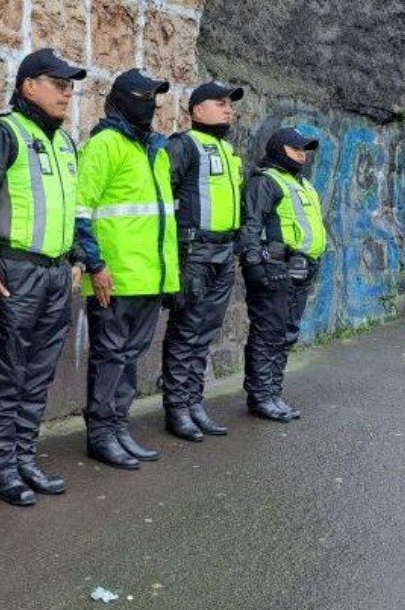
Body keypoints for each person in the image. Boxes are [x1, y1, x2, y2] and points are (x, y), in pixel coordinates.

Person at [0, 48, 86, 507]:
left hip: (57, 274)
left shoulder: (65, 142)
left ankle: (24, 456)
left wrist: (76, 259)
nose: (68, 93)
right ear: (28, 87)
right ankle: (2, 467)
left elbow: (71, 209)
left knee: (37, 375)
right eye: (58, 84)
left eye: (71, 86)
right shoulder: (4, 133)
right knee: (7, 374)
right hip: (14, 271)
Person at [75, 68, 179, 471]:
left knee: (130, 358)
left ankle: (119, 426)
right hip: (113, 279)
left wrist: (168, 274)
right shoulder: (105, 144)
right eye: (144, 97)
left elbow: (160, 218)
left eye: (155, 98)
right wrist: (95, 265)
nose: (151, 105)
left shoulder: (153, 148)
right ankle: (101, 435)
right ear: (122, 100)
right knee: (109, 357)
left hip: (148, 277)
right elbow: (81, 210)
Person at [161, 82, 246, 442]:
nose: (228, 109)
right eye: (220, 103)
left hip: (223, 252)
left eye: (230, 104)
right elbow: (163, 199)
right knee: (186, 331)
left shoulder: (227, 149)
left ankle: (194, 402)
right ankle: (177, 407)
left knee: (204, 332)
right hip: (194, 254)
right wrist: (176, 254)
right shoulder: (183, 145)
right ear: (196, 110)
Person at [239, 127, 327, 422]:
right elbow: (250, 226)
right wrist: (254, 265)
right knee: (268, 334)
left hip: (302, 268)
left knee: (286, 334)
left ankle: (273, 392)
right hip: (276, 268)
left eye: (304, 150)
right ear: (279, 149)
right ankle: (261, 397)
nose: (301, 155)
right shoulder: (266, 182)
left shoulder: (302, 184)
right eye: (295, 149)